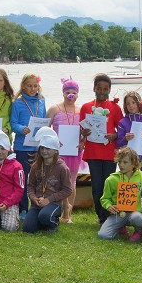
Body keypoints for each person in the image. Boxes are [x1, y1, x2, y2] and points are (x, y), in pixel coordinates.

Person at [79, 73, 124, 225]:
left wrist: (115, 136)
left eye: (105, 89)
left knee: (109, 185)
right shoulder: (86, 107)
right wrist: (84, 132)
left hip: (110, 153)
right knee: (97, 186)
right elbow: (82, 128)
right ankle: (101, 216)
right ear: (94, 89)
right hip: (93, 153)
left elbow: (122, 130)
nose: (102, 91)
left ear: (110, 90)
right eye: (99, 88)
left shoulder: (115, 108)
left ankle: (110, 215)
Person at [46, 78, 84, 223]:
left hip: (74, 151)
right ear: (63, 93)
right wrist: (54, 141)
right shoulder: (54, 109)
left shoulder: (81, 111)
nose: (71, 95)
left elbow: (85, 131)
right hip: (58, 151)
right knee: (56, 182)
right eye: (68, 92)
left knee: (72, 182)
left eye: (74, 92)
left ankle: (68, 214)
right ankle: (56, 210)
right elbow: (45, 129)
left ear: (78, 94)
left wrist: (83, 142)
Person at [23, 128, 74, 233]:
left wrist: (49, 199)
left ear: (55, 151)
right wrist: (33, 198)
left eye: (48, 148)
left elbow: (68, 190)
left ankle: (53, 223)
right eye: (42, 148)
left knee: (45, 216)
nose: (44, 151)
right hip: (36, 203)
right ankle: (42, 222)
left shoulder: (62, 168)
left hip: (53, 203)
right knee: (28, 228)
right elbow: (31, 186)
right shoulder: (35, 166)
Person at [11, 73, 46, 216]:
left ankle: (35, 207)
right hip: (22, 146)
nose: (32, 89)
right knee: (23, 179)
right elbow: (13, 123)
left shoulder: (42, 101)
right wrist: (21, 129)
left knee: (37, 179)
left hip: (37, 146)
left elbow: (44, 119)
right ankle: (23, 208)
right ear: (23, 86)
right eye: (29, 86)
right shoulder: (18, 103)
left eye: (35, 86)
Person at [97, 147, 142, 241]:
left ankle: (139, 231)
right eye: (119, 162)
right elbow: (104, 199)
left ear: (133, 164)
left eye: (125, 162)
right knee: (103, 235)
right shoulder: (111, 179)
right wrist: (109, 206)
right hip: (117, 214)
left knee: (139, 219)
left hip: (134, 213)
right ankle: (120, 228)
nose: (121, 165)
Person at [116, 90, 142, 176]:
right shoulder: (122, 122)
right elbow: (119, 144)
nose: (131, 106)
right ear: (125, 106)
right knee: (130, 188)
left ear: (139, 104)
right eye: (128, 104)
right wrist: (125, 139)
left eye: (133, 102)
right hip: (128, 162)